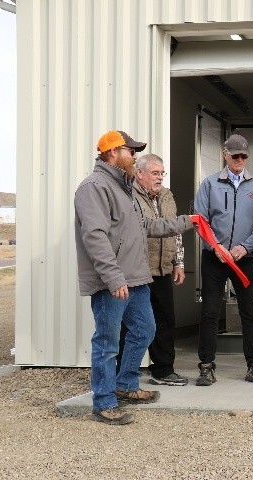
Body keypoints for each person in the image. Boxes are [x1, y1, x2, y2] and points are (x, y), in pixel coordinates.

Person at [74, 130, 194, 426]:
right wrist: (114, 278)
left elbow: (147, 227)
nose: (135, 156)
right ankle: (103, 402)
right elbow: (95, 236)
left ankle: (125, 385)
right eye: (131, 151)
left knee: (145, 330)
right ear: (112, 153)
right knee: (107, 340)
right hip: (111, 281)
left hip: (137, 278)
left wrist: (188, 222)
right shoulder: (94, 187)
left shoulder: (124, 188)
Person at [194, 134, 253, 386]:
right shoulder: (209, 184)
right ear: (225, 155)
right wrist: (215, 246)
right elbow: (200, 219)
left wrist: (245, 246)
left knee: (249, 312)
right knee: (210, 312)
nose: (239, 160)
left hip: (244, 258)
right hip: (214, 259)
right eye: (234, 155)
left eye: (243, 156)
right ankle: (206, 366)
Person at [130, 153, 188, 386]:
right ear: (140, 173)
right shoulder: (129, 196)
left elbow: (175, 230)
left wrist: (178, 262)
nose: (160, 178)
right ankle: (126, 373)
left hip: (163, 269)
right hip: (139, 270)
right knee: (134, 323)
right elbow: (143, 229)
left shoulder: (167, 195)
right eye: (155, 173)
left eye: (162, 173)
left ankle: (163, 370)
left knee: (165, 319)